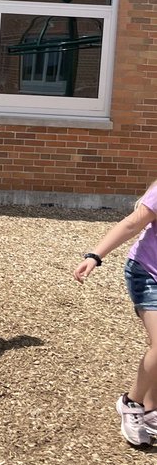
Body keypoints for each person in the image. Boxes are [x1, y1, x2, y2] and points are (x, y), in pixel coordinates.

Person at [73, 183, 157, 448]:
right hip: (147, 274)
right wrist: (95, 256)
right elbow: (132, 225)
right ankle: (130, 403)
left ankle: (151, 408)